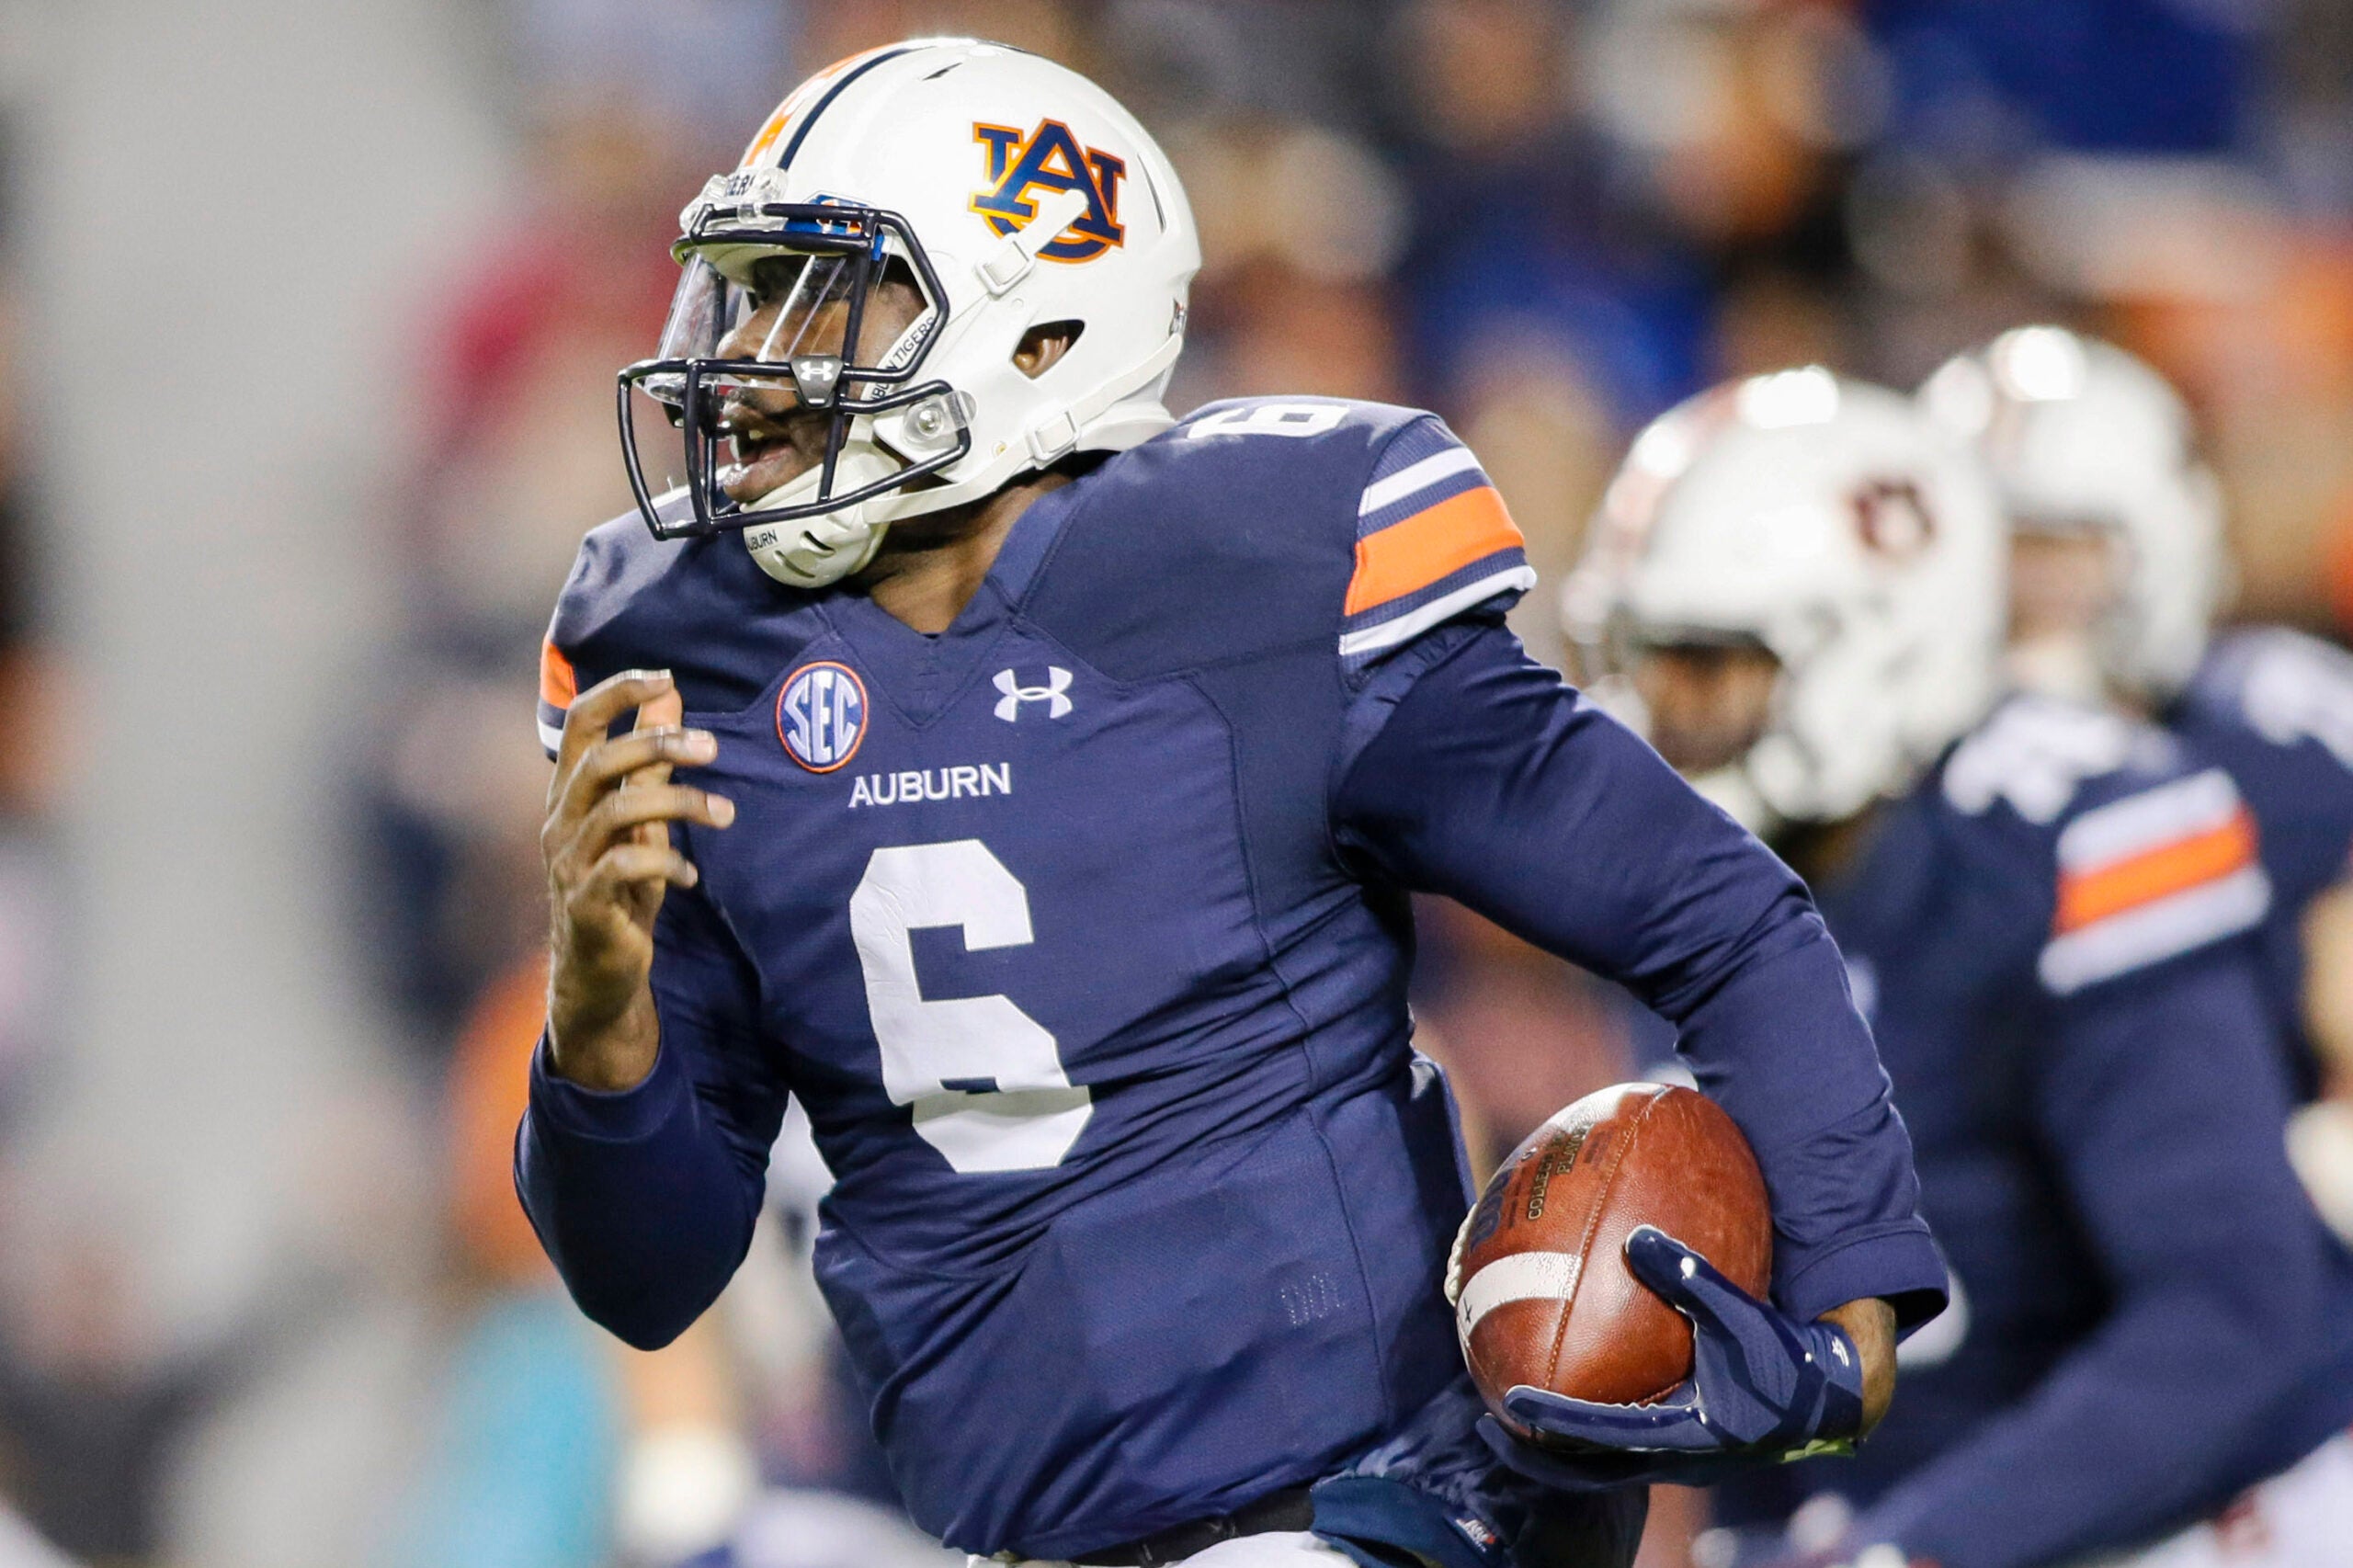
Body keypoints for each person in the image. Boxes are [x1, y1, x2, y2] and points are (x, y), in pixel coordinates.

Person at [517, 41, 1946, 1568]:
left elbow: (1709, 910)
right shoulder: (689, 651)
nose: (756, 356)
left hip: (1362, 1497)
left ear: (1041, 326)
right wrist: (596, 1022)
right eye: (748, 295)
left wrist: (1851, 1305)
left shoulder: (1262, 572)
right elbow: (649, 1277)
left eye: (823, 297)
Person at [1563, 368, 2353, 1568]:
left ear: (1875, 650)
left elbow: (2231, 1316)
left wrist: (1916, 1547)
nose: (1653, 715)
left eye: (1704, 667)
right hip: (1898, 1498)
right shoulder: (1680, 890)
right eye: (1636, 662)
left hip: (2204, 1504)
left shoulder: (2070, 836)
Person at [1920, 325, 2353, 1110]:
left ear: (2161, 544)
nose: (2010, 594)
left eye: (2051, 549)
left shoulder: (2281, 738)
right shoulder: (1886, 807)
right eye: (1980, 552)